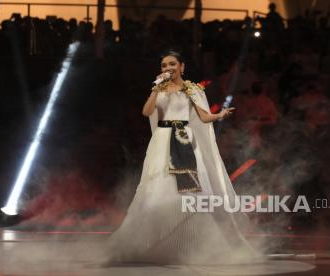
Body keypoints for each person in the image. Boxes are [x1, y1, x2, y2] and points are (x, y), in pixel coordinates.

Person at [107, 50, 262, 264]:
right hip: (162, 141)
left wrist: (219, 115)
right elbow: (147, 111)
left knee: (191, 192)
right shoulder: (159, 89)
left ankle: (192, 246)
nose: (167, 68)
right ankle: (155, 245)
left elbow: (204, 116)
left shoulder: (192, 89)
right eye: (163, 65)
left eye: (172, 64)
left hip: (183, 139)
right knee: (158, 188)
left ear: (182, 66)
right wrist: (155, 88)